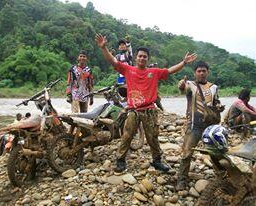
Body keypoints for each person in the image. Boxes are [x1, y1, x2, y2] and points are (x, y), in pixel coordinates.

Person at [95, 33, 197, 173]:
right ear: (136, 58)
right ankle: (120, 160)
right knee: (127, 135)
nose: (142, 58)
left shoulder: (153, 72)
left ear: (148, 59)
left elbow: (170, 71)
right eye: (140, 56)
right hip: (133, 110)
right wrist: (103, 48)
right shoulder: (128, 70)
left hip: (149, 109)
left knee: (153, 137)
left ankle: (157, 161)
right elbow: (113, 61)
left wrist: (184, 63)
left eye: (145, 56)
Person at [176, 61, 223, 190]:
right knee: (187, 153)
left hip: (210, 126)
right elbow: (183, 89)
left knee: (217, 152)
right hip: (194, 125)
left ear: (208, 72)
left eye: (204, 71)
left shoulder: (214, 87)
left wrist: (219, 107)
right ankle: (181, 179)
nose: (201, 73)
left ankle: (223, 176)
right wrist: (181, 85)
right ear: (195, 73)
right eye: (199, 71)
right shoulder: (190, 85)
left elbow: (216, 101)